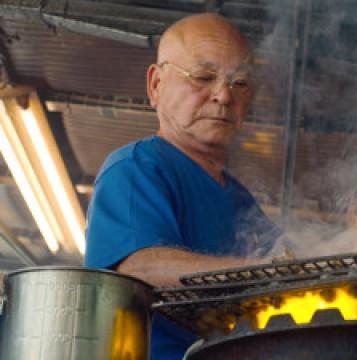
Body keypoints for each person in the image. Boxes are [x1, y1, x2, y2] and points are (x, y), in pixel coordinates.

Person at [84, 13, 281, 360]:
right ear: (156, 85)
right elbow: (140, 268)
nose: (223, 95)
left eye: (240, 83)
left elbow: (292, 260)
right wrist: (264, 270)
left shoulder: (240, 199)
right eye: (203, 77)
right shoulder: (136, 168)